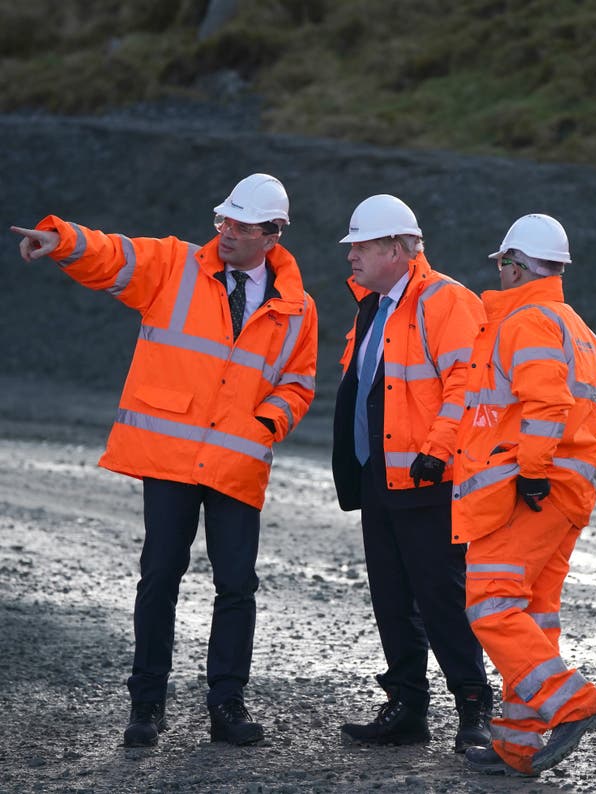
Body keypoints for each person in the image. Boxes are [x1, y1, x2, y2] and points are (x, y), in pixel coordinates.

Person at [10, 173, 318, 748]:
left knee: (236, 587)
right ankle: (146, 707)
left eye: (241, 226)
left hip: (236, 462)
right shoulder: (175, 266)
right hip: (171, 456)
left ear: (272, 234)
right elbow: (114, 253)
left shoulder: (298, 307)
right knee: (159, 578)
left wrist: (267, 421)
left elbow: (298, 382)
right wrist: (65, 241)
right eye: (223, 221)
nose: (226, 233)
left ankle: (227, 706)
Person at [332, 194, 493, 751]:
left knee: (441, 597)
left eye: (361, 247)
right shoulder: (374, 307)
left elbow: (466, 383)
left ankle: (473, 708)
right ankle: (407, 707)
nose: (350, 257)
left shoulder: (446, 301)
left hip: (429, 478)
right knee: (392, 597)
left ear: (398, 249)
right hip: (381, 478)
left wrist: (437, 452)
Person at [452, 214, 596, 777]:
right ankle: (518, 745)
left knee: (490, 602)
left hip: (530, 490)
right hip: (567, 494)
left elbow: (546, 406)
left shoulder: (526, 321)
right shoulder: (578, 329)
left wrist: (533, 470)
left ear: (516, 264)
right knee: (532, 616)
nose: (498, 273)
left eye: (502, 263)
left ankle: (572, 703)